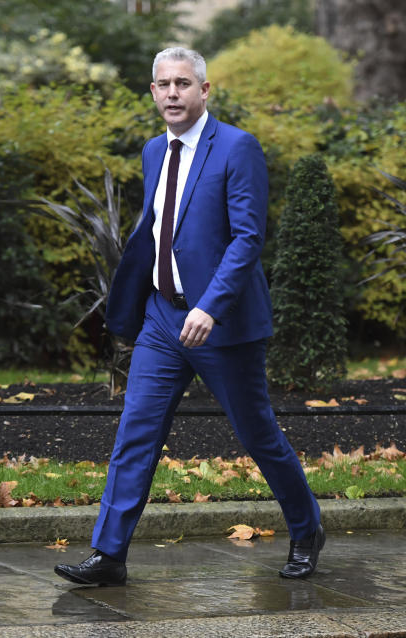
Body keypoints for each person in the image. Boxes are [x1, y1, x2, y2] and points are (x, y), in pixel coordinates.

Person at [55, 46, 323, 587]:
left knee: (257, 436)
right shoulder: (155, 151)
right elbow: (158, 230)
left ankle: (306, 528)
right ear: (152, 93)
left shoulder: (238, 148)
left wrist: (209, 306)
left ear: (205, 91)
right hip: (161, 318)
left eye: (183, 83)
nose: (173, 93)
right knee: (136, 432)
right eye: (163, 84)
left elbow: (248, 238)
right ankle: (109, 555)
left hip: (221, 325)